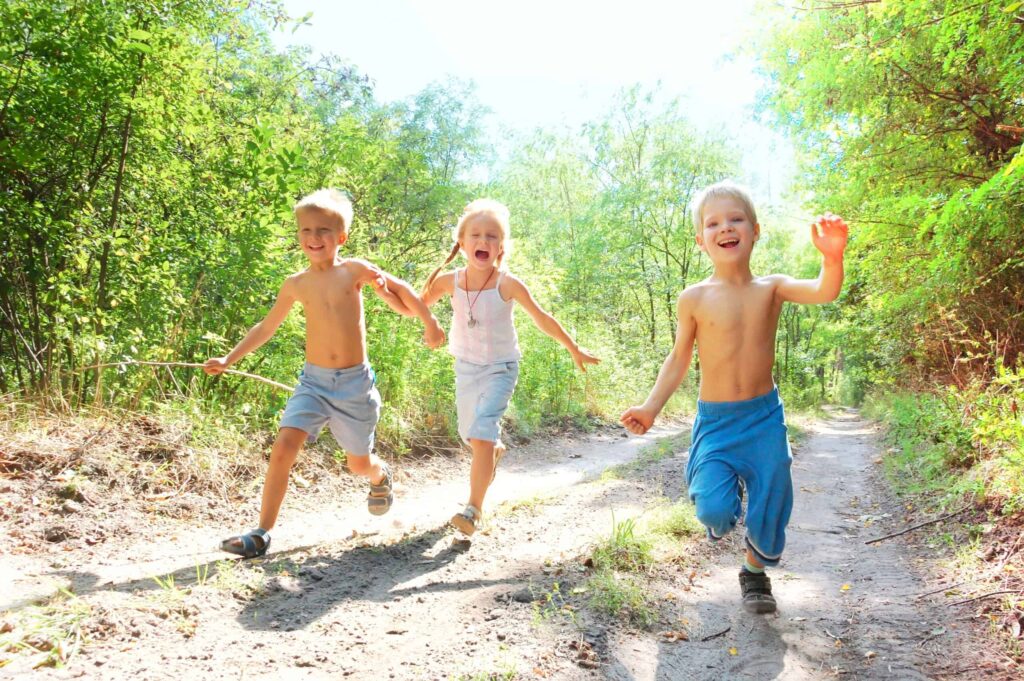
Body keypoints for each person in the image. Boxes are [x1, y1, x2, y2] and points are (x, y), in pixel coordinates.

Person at [620, 180, 848, 613]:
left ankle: (754, 572)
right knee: (713, 511)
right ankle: (724, 509)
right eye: (713, 223)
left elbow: (825, 291)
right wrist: (651, 408)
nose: (725, 228)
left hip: (763, 419)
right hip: (717, 423)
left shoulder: (772, 287)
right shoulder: (694, 298)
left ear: (755, 230)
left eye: (735, 219)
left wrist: (831, 257)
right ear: (701, 240)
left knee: (773, 495)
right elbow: (678, 358)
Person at [204, 188, 445, 558]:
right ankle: (262, 532)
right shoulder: (296, 284)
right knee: (284, 446)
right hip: (313, 383)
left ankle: (380, 476)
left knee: (357, 464)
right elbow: (266, 328)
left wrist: (428, 322)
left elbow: (403, 291)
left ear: (341, 238)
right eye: (306, 230)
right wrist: (229, 359)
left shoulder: (354, 270)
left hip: (354, 386)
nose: (314, 238)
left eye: (324, 231)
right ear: (298, 234)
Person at [421, 199, 599, 536]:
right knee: (471, 436)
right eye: (476, 235)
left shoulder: (507, 283)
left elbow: (542, 318)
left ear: (501, 247)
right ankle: (493, 451)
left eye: (492, 236)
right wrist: (427, 323)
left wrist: (573, 348)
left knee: (481, 430)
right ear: (462, 243)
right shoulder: (450, 281)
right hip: (466, 368)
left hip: (502, 368)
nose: (483, 241)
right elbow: (417, 304)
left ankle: (472, 510)